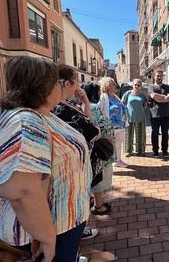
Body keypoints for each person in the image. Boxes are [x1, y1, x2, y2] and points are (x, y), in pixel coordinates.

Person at [0, 56, 91, 262]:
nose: (59, 86)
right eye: (55, 81)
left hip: (61, 223)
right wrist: (48, 239)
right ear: (43, 87)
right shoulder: (26, 122)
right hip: (44, 233)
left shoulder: (37, 115)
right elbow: (22, 190)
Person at [52, 66, 101, 241]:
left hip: (78, 169)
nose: (78, 87)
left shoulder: (68, 103)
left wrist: (86, 101)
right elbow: (91, 130)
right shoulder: (58, 109)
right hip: (68, 174)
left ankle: (79, 231)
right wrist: (96, 131)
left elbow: (88, 121)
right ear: (66, 83)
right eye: (76, 82)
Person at [82, 81, 115, 216]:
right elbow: (101, 125)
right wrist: (108, 138)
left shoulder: (79, 105)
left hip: (89, 148)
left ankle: (93, 201)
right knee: (99, 176)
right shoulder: (93, 107)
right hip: (100, 148)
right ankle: (99, 205)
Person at [99, 77, 128, 168]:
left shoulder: (115, 97)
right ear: (107, 86)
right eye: (113, 84)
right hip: (110, 126)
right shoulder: (103, 97)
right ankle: (108, 163)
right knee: (110, 145)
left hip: (120, 125)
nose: (116, 85)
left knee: (118, 144)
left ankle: (118, 160)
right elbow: (100, 110)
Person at [148, 70, 169, 158]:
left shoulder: (167, 87)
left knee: (165, 133)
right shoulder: (151, 86)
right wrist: (164, 97)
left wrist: (161, 98)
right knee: (154, 133)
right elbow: (154, 97)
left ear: (163, 77)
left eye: (160, 76)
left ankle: (165, 150)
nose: (159, 77)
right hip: (154, 115)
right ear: (154, 77)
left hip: (166, 115)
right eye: (157, 76)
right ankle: (155, 151)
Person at [122, 79, 147, 157]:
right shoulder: (128, 93)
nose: (136, 86)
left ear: (141, 87)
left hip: (140, 117)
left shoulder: (143, 95)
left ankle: (141, 150)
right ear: (132, 85)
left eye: (138, 85)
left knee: (141, 135)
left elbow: (145, 105)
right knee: (128, 135)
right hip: (129, 118)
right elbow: (122, 103)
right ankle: (128, 151)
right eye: (135, 85)